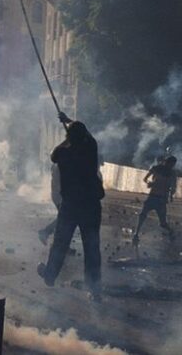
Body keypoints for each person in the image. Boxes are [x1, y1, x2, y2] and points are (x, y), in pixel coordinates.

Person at [37, 112, 104, 302]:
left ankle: (50, 276)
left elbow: (53, 155)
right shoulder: (91, 149)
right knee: (92, 247)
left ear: (69, 138)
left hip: (71, 206)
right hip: (91, 205)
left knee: (60, 244)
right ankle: (95, 289)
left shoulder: (64, 153)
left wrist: (67, 138)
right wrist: (69, 122)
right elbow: (88, 136)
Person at [133, 155, 178, 244]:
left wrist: (171, 195)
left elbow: (173, 187)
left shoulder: (172, 173)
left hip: (161, 199)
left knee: (162, 223)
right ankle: (136, 233)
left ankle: (171, 232)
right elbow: (145, 179)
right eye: (171, 164)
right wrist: (150, 183)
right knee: (142, 215)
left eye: (172, 165)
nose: (171, 166)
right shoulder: (157, 169)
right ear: (167, 162)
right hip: (153, 196)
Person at [37, 163, 62, 245]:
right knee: (64, 219)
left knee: (64, 220)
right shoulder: (61, 165)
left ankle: (62, 245)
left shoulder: (58, 164)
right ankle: (46, 232)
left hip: (58, 195)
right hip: (60, 196)